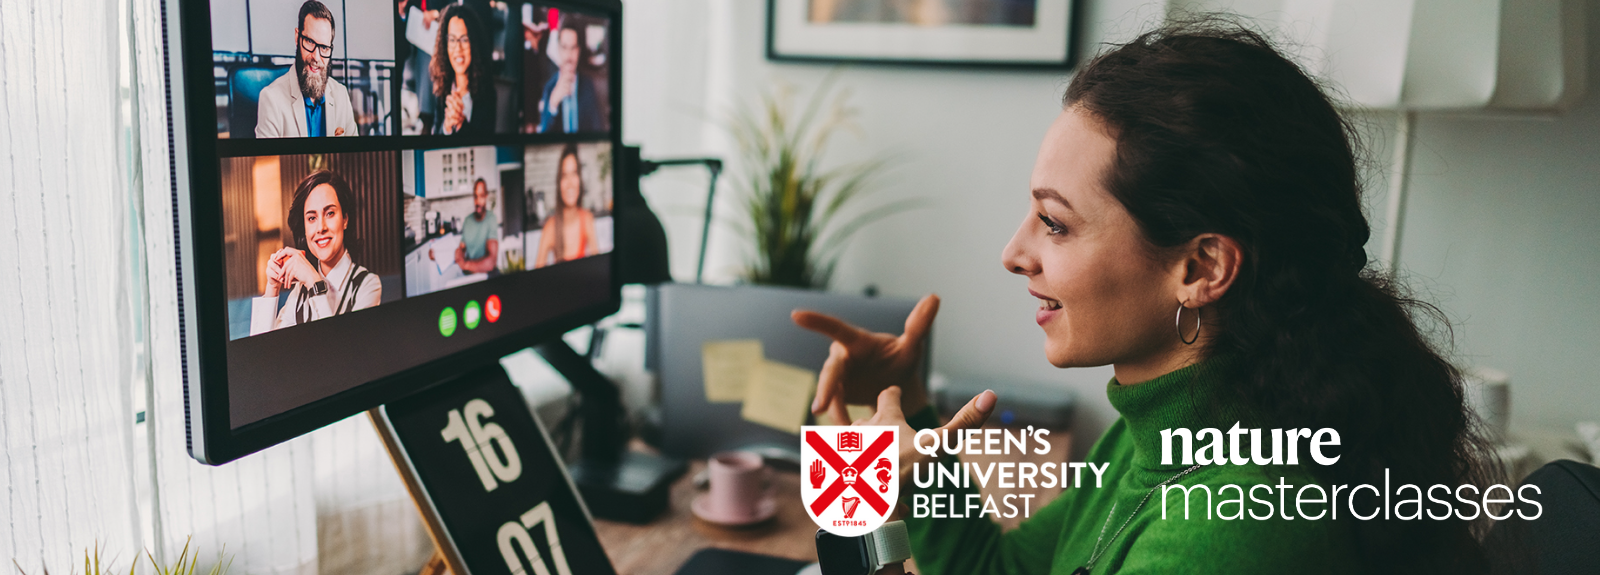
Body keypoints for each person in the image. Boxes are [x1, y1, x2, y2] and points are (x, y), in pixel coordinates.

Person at [791, 21, 1501, 575]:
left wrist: (866, 535)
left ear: (1201, 266)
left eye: (1055, 222)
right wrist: (911, 411)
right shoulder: (1153, 441)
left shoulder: (1234, 528)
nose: (1014, 254)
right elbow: (995, 569)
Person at [252, 170, 382, 335]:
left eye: (330, 213)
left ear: (345, 219)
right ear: (304, 229)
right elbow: (263, 351)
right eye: (312, 218)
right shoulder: (299, 292)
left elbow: (341, 352)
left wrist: (315, 283)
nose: (321, 228)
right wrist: (272, 288)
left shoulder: (368, 285)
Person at [256, 0, 359, 138]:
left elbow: (353, 157)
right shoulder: (271, 99)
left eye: (324, 48)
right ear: (297, 37)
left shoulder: (341, 95)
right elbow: (268, 159)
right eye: (310, 42)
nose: (316, 57)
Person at [431, 4, 497, 135]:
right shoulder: (441, 88)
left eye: (464, 39)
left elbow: (485, 145)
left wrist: (461, 124)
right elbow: (434, 137)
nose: (458, 49)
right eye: (452, 40)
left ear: (473, 43)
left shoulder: (487, 92)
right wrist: (447, 126)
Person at [533, 145, 597, 267]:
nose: (570, 183)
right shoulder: (550, 227)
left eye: (574, 173)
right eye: (564, 175)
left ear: (580, 179)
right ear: (559, 183)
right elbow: (536, 279)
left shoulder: (587, 219)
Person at [536, 20, 604, 134]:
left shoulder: (589, 85)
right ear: (558, 49)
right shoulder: (549, 88)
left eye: (573, 48)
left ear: (579, 51)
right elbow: (542, 136)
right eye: (564, 47)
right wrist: (553, 104)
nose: (569, 56)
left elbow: (598, 130)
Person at [455, 178, 499, 274]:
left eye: (481, 196)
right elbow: (462, 248)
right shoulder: (467, 221)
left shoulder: (491, 219)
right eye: (475, 196)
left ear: (486, 196)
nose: (478, 201)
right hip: (470, 274)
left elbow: (491, 263)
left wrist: (466, 265)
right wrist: (458, 253)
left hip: (487, 274)